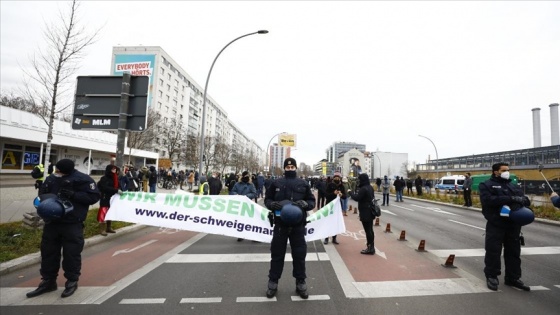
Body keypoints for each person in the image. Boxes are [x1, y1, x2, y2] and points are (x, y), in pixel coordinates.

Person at [26, 159, 100, 298]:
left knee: (71, 254)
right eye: (56, 170)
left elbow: (94, 196)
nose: (57, 172)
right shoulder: (52, 178)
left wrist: (74, 195)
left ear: (67, 170)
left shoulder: (82, 179)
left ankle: (72, 281)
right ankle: (48, 281)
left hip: (72, 223)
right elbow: (43, 194)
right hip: (52, 223)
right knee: (48, 253)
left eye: (59, 170)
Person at [265, 157, 315, 299]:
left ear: (296, 168)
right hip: (280, 224)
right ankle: (273, 282)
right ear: (284, 168)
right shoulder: (276, 183)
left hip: (298, 225)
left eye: (292, 167)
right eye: (288, 167)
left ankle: (301, 282)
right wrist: (271, 205)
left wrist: (306, 204)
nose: (290, 169)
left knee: (299, 255)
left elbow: (312, 201)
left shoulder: (303, 183)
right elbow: (268, 199)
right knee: (277, 254)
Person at [479, 162, 531, 292]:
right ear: (496, 171)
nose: (507, 172)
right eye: (504, 170)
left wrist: (520, 200)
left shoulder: (513, 185)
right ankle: (492, 276)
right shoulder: (486, 185)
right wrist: (510, 198)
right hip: (496, 224)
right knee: (493, 251)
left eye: (508, 169)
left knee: (514, 252)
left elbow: (526, 200)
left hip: (513, 225)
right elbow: (488, 200)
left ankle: (513, 278)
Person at [348, 173, 376, 255]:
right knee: (370, 230)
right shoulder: (370, 187)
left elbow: (357, 198)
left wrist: (350, 193)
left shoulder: (363, 189)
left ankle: (370, 248)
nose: (358, 181)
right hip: (370, 210)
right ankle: (372, 247)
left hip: (365, 211)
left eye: (359, 179)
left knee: (368, 230)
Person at [231, 171, 257, 242]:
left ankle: (254, 236)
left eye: (248, 176)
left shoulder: (251, 185)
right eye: (245, 176)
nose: (246, 177)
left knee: (251, 221)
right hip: (240, 205)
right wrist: (236, 195)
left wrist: (246, 196)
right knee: (240, 220)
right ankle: (240, 235)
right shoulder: (237, 184)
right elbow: (232, 191)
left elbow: (254, 193)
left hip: (248, 205)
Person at [97, 165, 123, 236]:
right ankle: (102, 229)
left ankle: (108, 227)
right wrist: (116, 190)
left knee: (110, 212)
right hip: (105, 198)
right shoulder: (104, 178)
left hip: (113, 198)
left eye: (115, 169)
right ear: (109, 170)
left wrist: (120, 189)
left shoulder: (115, 178)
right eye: (113, 169)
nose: (115, 171)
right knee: (103, 213)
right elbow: (104, 187)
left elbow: (118, 186)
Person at [324, 172, 347, 244]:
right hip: (329, 205)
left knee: (336, 222)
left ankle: (334, 238)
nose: (337, 179)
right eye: (335, 177)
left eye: (338, 177)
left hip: (337, 206)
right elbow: (326, 195)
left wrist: (341, 194)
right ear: (333, 178)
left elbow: (345, 196)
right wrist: (333, 193)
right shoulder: (329, 185)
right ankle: (326, 238)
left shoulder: (341, 186)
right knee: (328, 222)